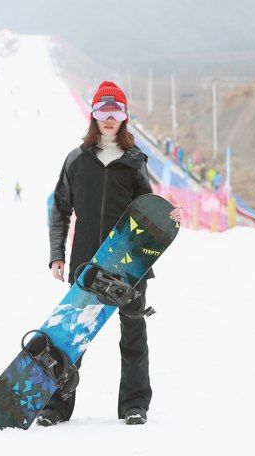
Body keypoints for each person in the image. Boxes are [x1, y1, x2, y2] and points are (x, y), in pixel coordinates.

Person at [44, 81, 183, 427]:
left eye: (116, 111)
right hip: (87, 264)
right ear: (93, 115)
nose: (109, 118)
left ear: (124, 117)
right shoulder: (76, 160)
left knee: (133, 333)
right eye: (103, 111)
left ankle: (134, 404)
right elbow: (59, 209)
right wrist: (57, 254)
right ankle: (55, 406)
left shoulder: (135, 162)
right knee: (72, 337)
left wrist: (169, 217)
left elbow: (148, 213)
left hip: (129, 264)